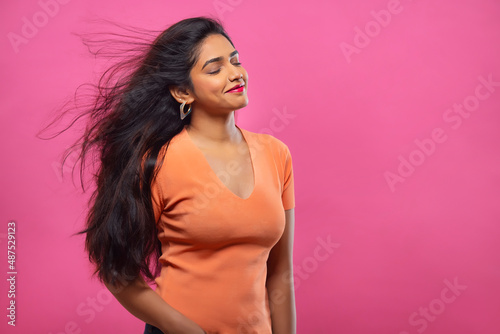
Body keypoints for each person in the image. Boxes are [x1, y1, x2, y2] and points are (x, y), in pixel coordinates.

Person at [46, 16, 296, 333]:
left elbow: (280, 273)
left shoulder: (276, 154)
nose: (235, 74)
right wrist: (186, 330)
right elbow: (116, 271)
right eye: (215, 68)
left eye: (235, 61)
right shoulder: (158, 162)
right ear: (182, 92)